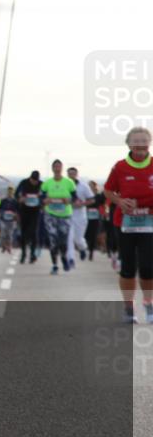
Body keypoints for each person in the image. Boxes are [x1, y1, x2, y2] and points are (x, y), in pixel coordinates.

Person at [103, 127, 153, 324]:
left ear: (149, 143)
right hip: (124, 224)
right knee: (128, 268)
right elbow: (108, 191)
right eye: (136, 140)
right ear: (129, 144)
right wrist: (120, 201)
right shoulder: (120, 167)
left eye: (144, 140)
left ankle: (149, 304)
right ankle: (128, 308)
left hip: (150, 224)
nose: (140, 144)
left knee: (149, 267)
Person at [41, 159, 78, 275]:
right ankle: (54, 265)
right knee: (53, 240)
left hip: (65, 215)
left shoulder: (69, 183)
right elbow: (40, 198)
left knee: (63, 241)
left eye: (59, 167)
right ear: (52, 169)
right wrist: (45, 200)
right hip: (50, 215)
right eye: (55, 167)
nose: (57, 169)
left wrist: (69, 200)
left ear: (61, 169)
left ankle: (63, 258)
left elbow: (75, 198)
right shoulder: (47, 183)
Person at [67, 166, 95, 268]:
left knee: (78, 239)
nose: (71, 175)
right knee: (69, 238)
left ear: (76, 174)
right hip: (67, 215)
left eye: (73, 173)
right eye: (69, 174)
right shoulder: (65, 185)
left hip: (80, 216)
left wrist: (82, 204)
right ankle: (71, 260)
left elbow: (92, 200)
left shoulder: (83, 186)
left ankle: (82, 248)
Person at [16, 170, 44, 263]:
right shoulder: (24, 182)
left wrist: (41, 201)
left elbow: (46, 195)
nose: (34, 182)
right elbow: (16, 194)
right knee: (24, 233)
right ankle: (23, 254)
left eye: (36, 181)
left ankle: (32, 254)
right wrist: (20, 198)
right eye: (33, 180)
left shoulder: (41, 184)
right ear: (30, 178)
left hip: (35, 211)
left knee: (33, 232)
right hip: (24, 210)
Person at [85, 180, 104, 261]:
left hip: (96, 218)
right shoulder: (86, 196)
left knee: (93, 235)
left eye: (91, 185)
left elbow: (103, 204)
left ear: (94, 186)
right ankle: (86, 248)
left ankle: (91, 252)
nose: (90, 187)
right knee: (86, 234)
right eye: (89, 185)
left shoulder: (98, 196)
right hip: (86, 217)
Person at [0, 186, 20, 255]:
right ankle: (3, 246)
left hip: (12, 220)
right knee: (3, 234)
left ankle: (9, 247)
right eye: (9, 191)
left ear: (13, 192)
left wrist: (15, 214)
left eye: (11, 191)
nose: (10, 192)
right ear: (7, 191)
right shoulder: (3, 200)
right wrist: (1, 213)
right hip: (3, 219)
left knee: (10, 234)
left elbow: (18, 210)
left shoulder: (15, 201)